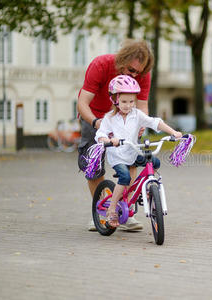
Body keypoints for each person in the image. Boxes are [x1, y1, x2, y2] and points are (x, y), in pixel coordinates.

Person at [77, 39, 153, 231]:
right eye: (131, 70)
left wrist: (142, 124)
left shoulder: (143, 75)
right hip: (94, 116)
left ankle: (123, 211)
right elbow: (82, 102)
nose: (135, 75)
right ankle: (101, 210)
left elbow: (142, 105)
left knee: (133, 160)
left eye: (139, 72)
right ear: (121, 60)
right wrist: (96, 122)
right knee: (92, 163)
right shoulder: (100, 65)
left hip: (125, 117)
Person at [95, 75, 182, 227]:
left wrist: (173, 132)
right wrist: (109, 141)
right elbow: (100, 135)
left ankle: (148, 189)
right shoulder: (109, 118)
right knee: (125, 177)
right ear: (115, 99)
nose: (128, 105)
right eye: (124, 102)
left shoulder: (136, 115)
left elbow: (155, 122)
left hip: (133, 152)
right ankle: (112, 208)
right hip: (118, 156)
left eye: (131, 101)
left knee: (154, 162)